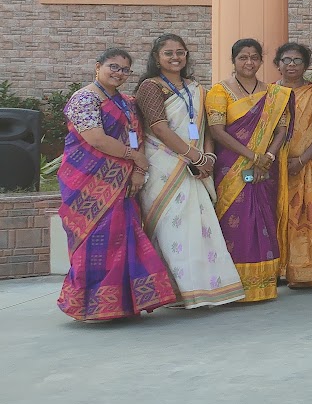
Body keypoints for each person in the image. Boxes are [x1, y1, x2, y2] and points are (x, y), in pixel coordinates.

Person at [56, 48, 180, 322]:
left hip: (123, 182)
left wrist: (137, 169)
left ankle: (123, 303)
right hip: (87, 182)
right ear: (98, 66)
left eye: (125, 70)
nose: (119, 73)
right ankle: (90, 305)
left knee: (123, 238)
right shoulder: (84, 98)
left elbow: (137, 137)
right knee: (94, 242)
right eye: (113, 66)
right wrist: (134, 157)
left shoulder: (126, 101)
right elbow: (96, 139)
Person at [132, 35, 245, 309]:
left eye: (180, 53)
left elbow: (204, 126)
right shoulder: (151, 87)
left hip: (195, 165)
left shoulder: (196, 87)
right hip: (164, 166)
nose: (175, 58)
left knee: (200, 227)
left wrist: (207, 157)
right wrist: (193, 157)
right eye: (168, 53)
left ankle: (207, 288)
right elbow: (159, 127)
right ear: (156, 57)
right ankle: (176, 290)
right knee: (173, 230)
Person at [206, 38, 292, 302]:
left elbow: (282, 129)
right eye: (243, 57)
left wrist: (267, 155)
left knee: (262, 219)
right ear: (233, 60)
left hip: (266, 166)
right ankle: (233, 285)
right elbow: (216, 131)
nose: (249, 62)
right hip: (231, 167)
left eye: (254, 57)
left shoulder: (275, 94)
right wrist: (252, 156)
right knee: (234, 223)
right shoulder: (219, 91)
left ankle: (263, 285)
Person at [272, 42, 312, 289]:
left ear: (306, 65)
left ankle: (308, 272)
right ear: (278, 64)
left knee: (311, 215)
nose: (291, 65)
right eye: (286, 60)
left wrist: (302, 159)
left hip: (309, 163)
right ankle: (279, 270)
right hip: (276, 164)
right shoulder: (270, 94)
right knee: (279, 215)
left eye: (297, 61)